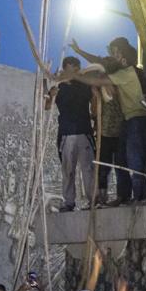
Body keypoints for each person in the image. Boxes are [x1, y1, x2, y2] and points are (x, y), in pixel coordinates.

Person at [57, 38, 146, 201]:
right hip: (116, 126)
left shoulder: (124, 73)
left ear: (122, 56)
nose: (112, 56)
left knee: (131, 161)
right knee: (114, 163)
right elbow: (98, 63)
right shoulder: (111, 75)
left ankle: (138, 196)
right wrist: (79, 52)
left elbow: (99, 73)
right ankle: (116, 196)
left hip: (130, 122)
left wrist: (79, 76)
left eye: (115, 52)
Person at [46, 57, 97, 212]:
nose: (73, 72)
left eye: (75, 69)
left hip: (84, 131)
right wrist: (50, 95)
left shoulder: (85, 86)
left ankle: (92, 201)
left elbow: (94, 101)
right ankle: (69, 202)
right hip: (66, 133)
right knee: (68, 169)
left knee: (88, 169)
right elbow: (47, 107)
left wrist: (95, 118)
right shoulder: (58, 88)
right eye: (70, 69)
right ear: (65, 69)